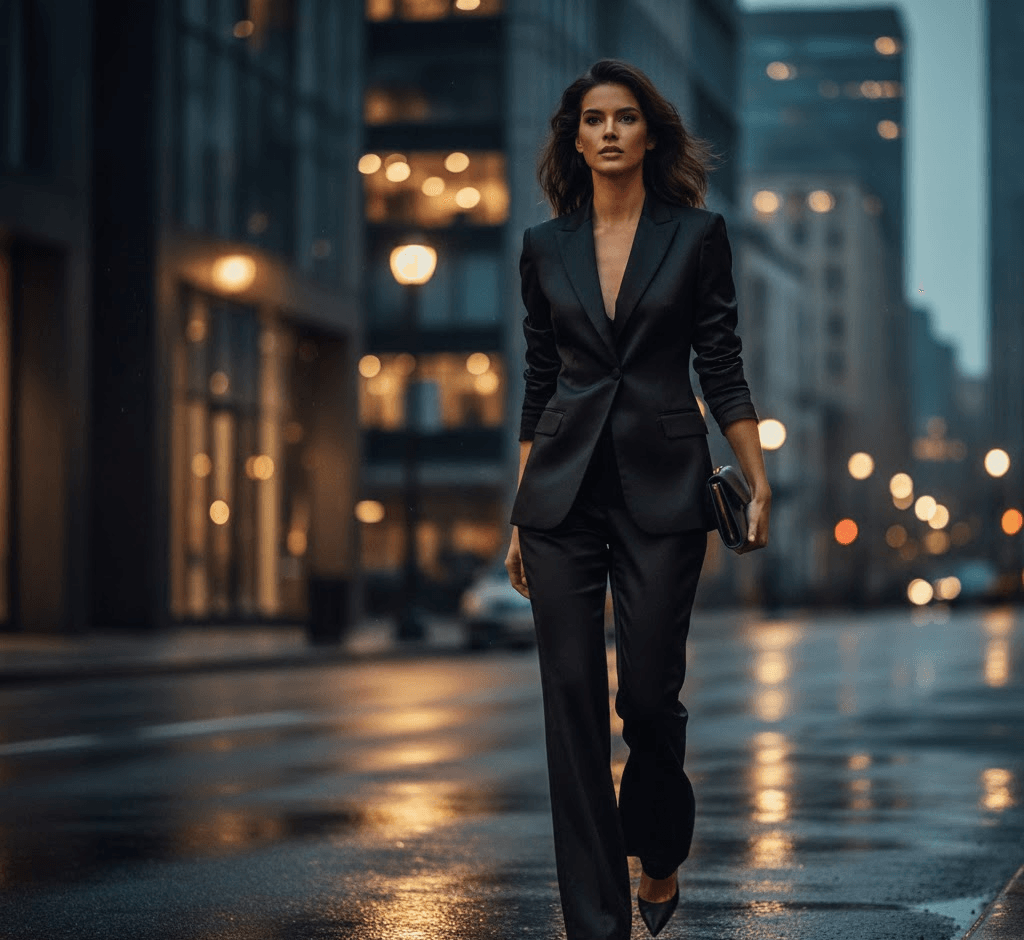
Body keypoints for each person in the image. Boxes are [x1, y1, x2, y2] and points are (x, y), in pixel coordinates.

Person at [505, 59, 771, 940]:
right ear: (576, 140)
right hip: (561, 495)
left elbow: (720, 363)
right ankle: (596, 924)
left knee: (650, 697)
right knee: (571, 701)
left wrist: (757, 475)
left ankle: (658, 849)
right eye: (594, 119)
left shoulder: (696, 236)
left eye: (625, 117)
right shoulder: (544, 246)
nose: (610, 130)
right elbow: (541, 381)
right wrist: (520, 513)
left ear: (649, 135)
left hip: (664, 487)